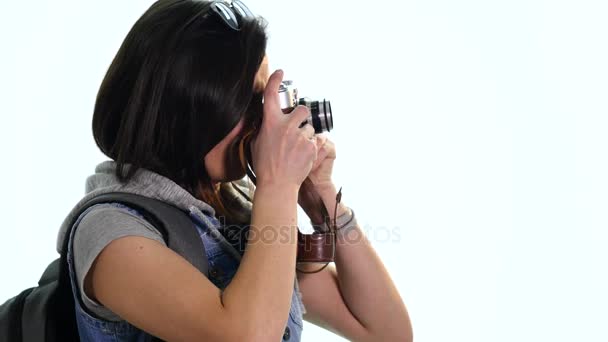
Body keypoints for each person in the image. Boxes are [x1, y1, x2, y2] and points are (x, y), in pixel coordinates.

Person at [56, 0, 413, 340]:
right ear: (185, 113)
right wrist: (277, 185)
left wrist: (321, 195)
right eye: (250, 101)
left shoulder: (233, 215)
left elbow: (386, 331)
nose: (266, 119)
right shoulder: (109, 231)